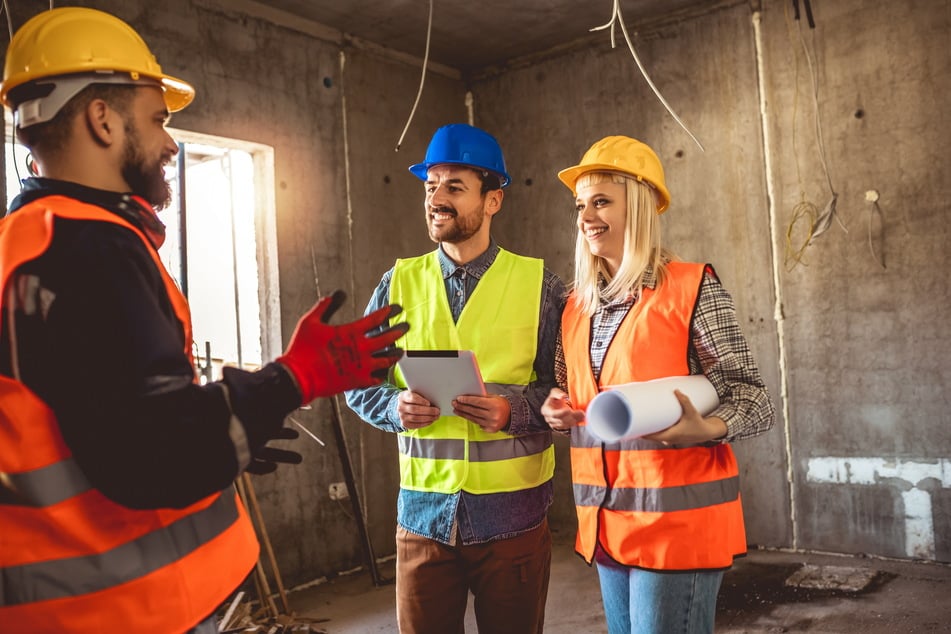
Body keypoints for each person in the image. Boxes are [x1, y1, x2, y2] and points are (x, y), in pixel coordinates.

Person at [0, 8, 407, 634]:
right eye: (158, 119)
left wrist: (226, 430)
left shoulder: (29, 243)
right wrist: (290, 380)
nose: (169, 144)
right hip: (120, 612)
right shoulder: (85, 248)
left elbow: (104, 420)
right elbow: (149, 452)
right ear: (102, 120)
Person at [541, 135, 775, 634]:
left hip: (676, 527)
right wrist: (556, 410)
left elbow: (754, 398)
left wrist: (707, 427)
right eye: (580, 205)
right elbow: (569, 394)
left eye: (602, 201)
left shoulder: (691, 287)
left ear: (641, 206)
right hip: (607, 525)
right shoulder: (575, 306)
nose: (586, 216)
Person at [345, 123, 566, 633]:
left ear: (493, 201)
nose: (436, 199)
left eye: (454, 187)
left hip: (514, 520)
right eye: (430, 186)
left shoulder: (539, 285)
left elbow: (569, 388)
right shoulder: (398, 282)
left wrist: (514, 410)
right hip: (424, 520)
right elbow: (358, 379)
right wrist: (392, 408)